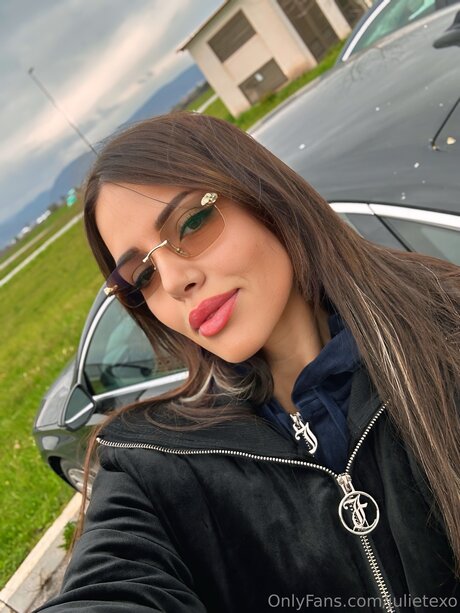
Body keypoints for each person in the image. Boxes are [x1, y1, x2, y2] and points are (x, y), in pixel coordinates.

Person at [35, 112, 460, 613]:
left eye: (192, 223)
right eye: (142, 276)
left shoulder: (446, 332)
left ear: (265, 196)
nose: (173, 281)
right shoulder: (153, 464)